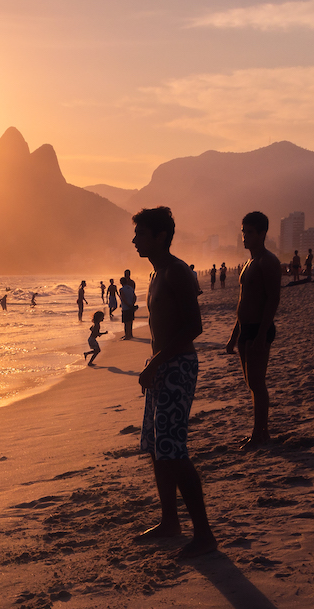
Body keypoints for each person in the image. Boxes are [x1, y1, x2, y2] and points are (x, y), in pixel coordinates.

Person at [131, 207, 217, 557]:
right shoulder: (156, 274)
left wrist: (158, 362)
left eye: (141, 233)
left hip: (176, 367)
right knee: (156, 448)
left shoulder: (177, 272)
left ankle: (204, 535)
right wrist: (154, 363)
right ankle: (170, 522)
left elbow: (194, 327)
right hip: (161, 366)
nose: (134, 239)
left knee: (174, 451)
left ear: (161, 237)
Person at [225, 211, 281, 449]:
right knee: (251, 383)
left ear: (262, 233)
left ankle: (261, 433)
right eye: (243, 232)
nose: (245, 237)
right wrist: (234, 335)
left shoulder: (268, 262)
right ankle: (259, 432)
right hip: (245, 329)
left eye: (249, 232)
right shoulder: (248, 263)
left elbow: (272, 300)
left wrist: (261, 335)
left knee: (257, 382)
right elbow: (243, 300)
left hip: (259, 329)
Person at [119, 269, 138, 339]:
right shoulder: (130, 286)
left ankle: (128, 335)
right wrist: (132, 303)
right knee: (130, 320)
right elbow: (134, 295)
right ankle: (129, 334)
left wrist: (127, 304)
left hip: (127, 306)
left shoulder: (124, 288)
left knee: (126, 321)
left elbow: (123, 297)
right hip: (130, 303)